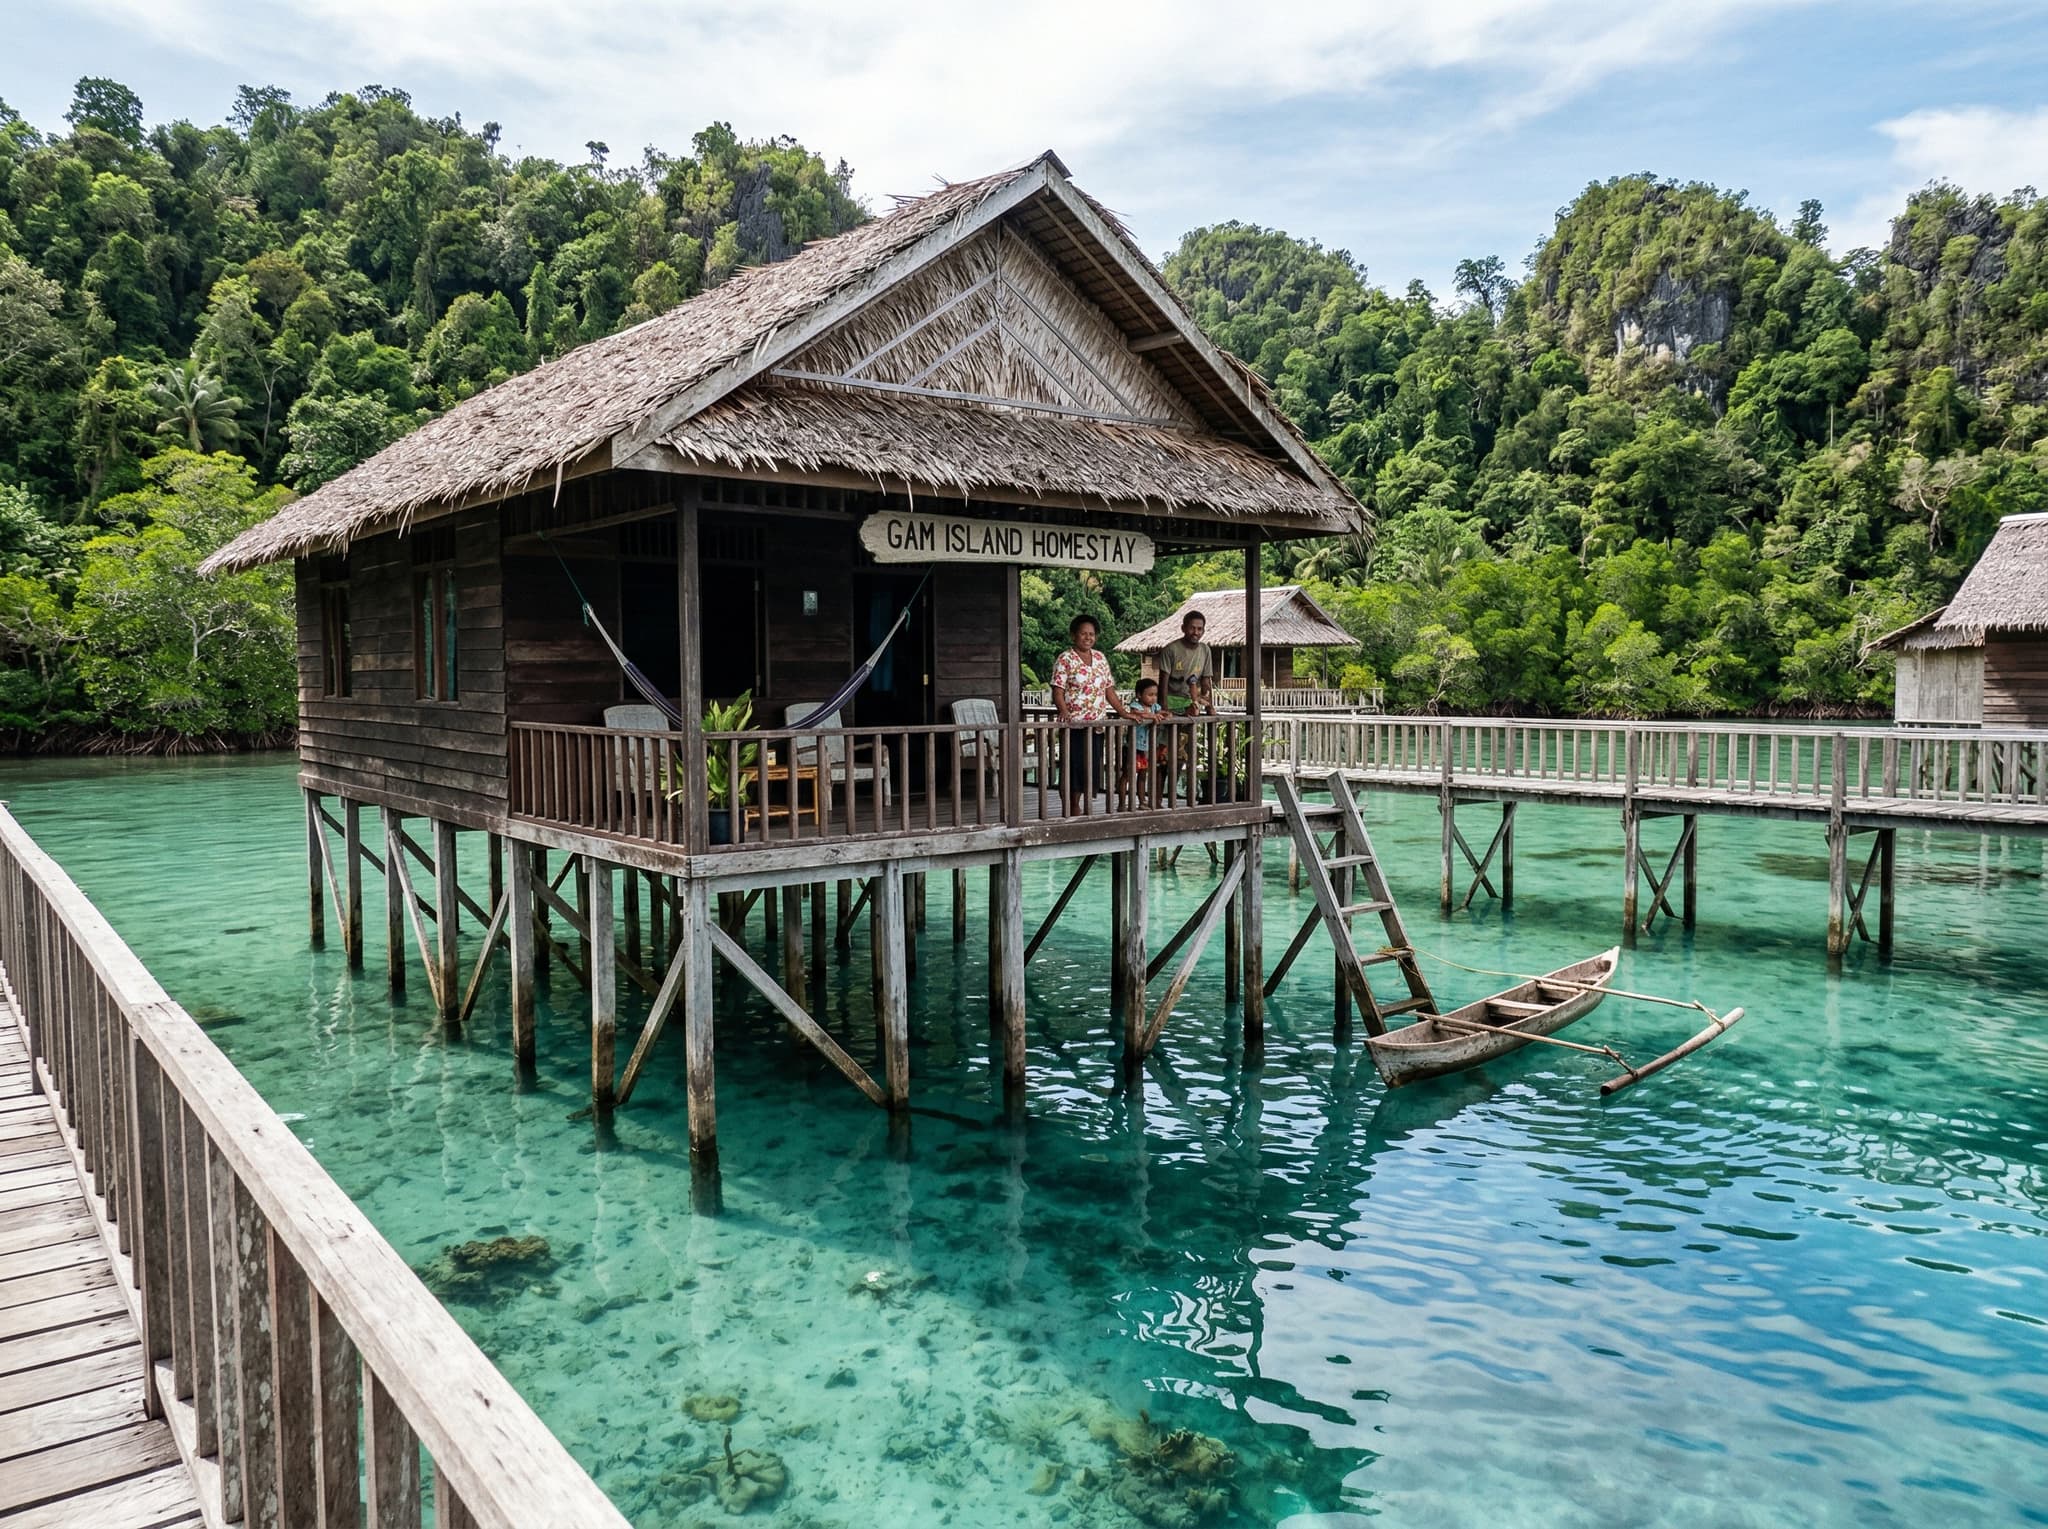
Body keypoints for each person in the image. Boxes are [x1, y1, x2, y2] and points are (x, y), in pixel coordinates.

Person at [1050, 614, 1133, 813]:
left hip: (1096, 725)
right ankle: (1070, 807)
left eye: (1091, 634)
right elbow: (1058, 690)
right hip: (1074, 725)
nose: (1088, 638)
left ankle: (1082, 805)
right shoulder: (1065, 658)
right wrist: (1064, 711)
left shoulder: (1100, 658)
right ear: (1073, 636)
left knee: (1090, 767)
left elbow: (1109, 690)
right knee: (1073, 768)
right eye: (1083, 634)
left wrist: (1123, 712)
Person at [1156, 611, 1215, 718]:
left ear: (1204, 631)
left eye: (1199, 629)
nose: (1196, 632)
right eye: (1192, 628)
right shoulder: (1170, 650)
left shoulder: (1205, 650)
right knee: (1170, 733)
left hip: (1191, 704)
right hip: (1171, 702)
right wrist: (1164, 708)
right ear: (1183, 628)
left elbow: (1206, 681)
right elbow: (1163, 682)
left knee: (1187, 734)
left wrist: (1209, 706)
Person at [1125, 677, 1165, 805]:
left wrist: (1166, 714)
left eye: (1155, 695)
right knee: (1127, 774)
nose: (1153, 698)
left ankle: (1142, 801)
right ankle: (1122, 803)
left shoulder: (1155, 707)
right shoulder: (1135, 705)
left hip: (1146, 747)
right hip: (1133, 746)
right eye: (1150, 695)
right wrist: (1152, 716)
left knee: (1143, 775)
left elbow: (1161, 712)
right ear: (1139, 695)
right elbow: (1138, 713)